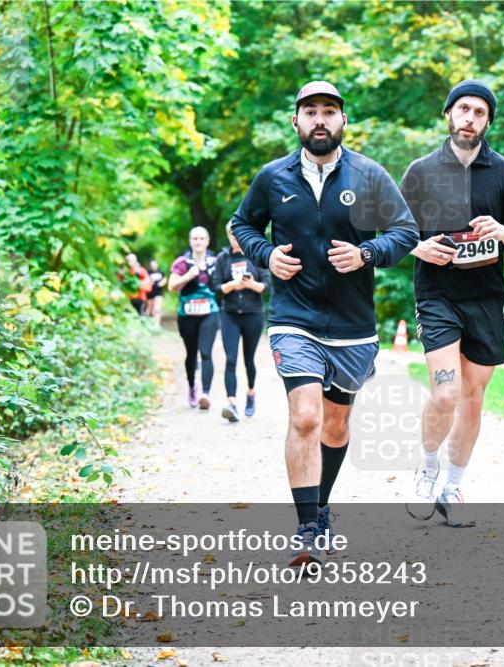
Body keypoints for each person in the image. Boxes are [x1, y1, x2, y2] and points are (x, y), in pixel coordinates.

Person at [231, 81, 418, 565]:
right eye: (310, 111)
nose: (320, 119)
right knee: (306, 416)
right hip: (294, 317)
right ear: (295, 121)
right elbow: (242, 225)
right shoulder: (273, 177)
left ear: (343, 121)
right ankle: (307, 528)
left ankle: (322, 503)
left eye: (329, 111)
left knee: (335, 425)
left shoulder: (371, 175)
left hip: (354, 325)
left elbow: (406, 232)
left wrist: (367, 253)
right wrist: (267, 255)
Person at [400, 80, 504, 527]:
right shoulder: (421, 171)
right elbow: (394, 235)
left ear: (487, 121)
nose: (470, 118)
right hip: (437, 296)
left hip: (486, 300)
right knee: (446, 393)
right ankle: (426, 467)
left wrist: (502, 231)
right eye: (463, 109)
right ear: (449, 114)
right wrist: (420, 248)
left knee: (473, 400)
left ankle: (453, 486)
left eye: (479, 112)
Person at [215, 220, 270, 422]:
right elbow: (217, 289)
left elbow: (267, 286)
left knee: (249, 360)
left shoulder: (256, 256)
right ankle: (231, 403)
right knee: (230, 359)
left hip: (253, 314)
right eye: (232, 235)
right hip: (229, 314)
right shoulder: (222, 258)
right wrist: (233, 285)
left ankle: (250, 393)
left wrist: (250, 284)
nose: (235, 239)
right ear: (228, 237)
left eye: (238, 235)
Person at [168, 227, 222, 410]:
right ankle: (192, 387)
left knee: (206, 352)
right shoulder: (182, 262)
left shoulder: (215, 261)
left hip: (209, 312)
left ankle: (205, 394)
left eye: (201, 238)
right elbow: (171, 286)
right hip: (187, 314)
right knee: (191, 354)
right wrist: (188, 276)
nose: (198, 242)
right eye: (195, 239)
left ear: (207, 241)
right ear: (190, 241)